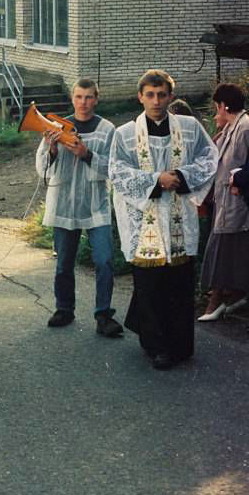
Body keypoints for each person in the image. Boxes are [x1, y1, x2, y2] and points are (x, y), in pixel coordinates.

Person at [110, 69, 217, 370]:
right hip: (145, 221)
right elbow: (117, 171)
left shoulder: (190, 127)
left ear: (170, 96)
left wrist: (181, 177)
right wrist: (158, 180)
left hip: (179, 217)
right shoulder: (125, 134)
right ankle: (157, 347)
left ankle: (181, 345)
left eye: (162, 94)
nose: (156, 101)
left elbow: (210, 158)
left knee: (179, 285)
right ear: (140, 97)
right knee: (151, 286)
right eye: (150, 95)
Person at [35, 79, 122, 337]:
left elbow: (114, 169)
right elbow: (41, 168)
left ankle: (103, 314)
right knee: (64, 263)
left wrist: (87, 154)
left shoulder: (107, 129)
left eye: (89, 97)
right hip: (64, 204)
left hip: (95, 204)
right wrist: (51, 149)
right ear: (72, 98)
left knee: (105, 260)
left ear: (97, 98)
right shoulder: (57, 126)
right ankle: (64, 308)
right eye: (79, 97)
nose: (83, 102)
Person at [197, 83, 248, 320]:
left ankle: (215, 300)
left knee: (218, 249)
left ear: (223, 105)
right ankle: (233, 295)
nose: (215, 111)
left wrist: (239, 179)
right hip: (227, 203)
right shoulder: (231, 127)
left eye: (216, 106)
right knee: (231, 251)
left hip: (238, 204)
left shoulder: (245, 127)